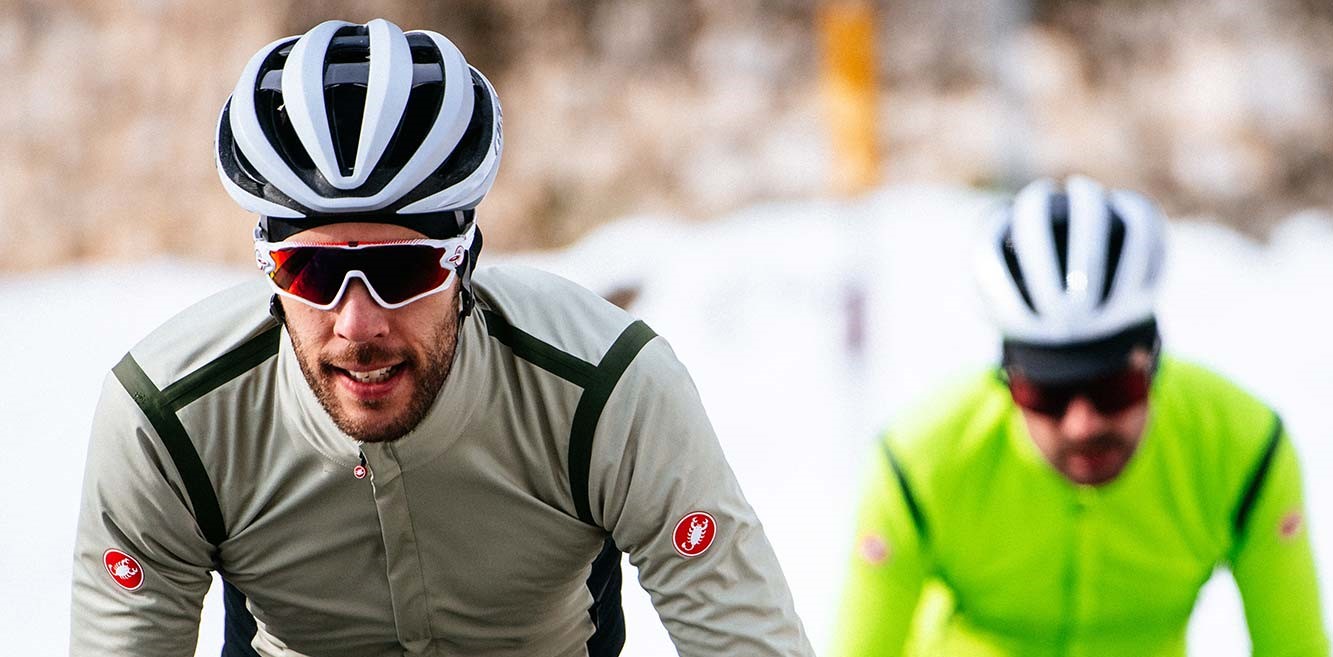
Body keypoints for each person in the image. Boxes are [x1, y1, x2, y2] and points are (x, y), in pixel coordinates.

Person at [70, 19, 813, 657]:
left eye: (402, 269)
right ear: (268, 267)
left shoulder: (607, 388)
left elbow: (743, 634)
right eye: (310, 271)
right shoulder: (167, 418)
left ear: (465, 261)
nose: (357, 323)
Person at [833, 176, 1328, 657]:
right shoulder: (920, 459)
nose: (1082, 425)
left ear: (1155, 362)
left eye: (1114, 388)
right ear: (1006, 379)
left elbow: (1294, 648)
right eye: (1045, 394)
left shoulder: (1244, 446)